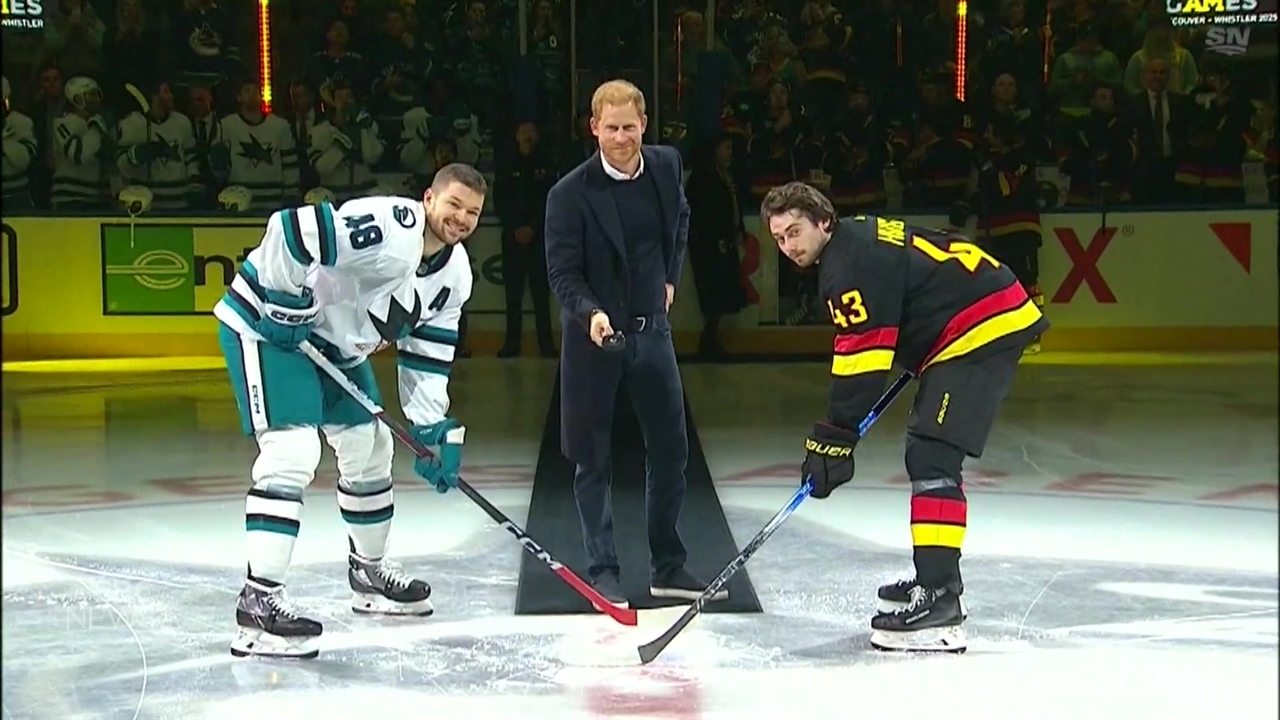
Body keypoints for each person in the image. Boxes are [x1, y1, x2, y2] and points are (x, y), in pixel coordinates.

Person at [760, 181, 1049, 653]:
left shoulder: (845, 267)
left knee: (933, 454)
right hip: (977, 314)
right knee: (928, 452)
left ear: (823, 222)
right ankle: (933, 578)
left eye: (795, 232)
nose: (789, 246)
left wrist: (834, 436)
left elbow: (862, 358)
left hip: (982, 326)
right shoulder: (854, 241)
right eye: (779, 239)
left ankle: (940, 600)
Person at [214, 163, 488, 659]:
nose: (461, 218)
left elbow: (428, 353)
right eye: (454, 205)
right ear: (428, 198)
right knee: (292, 452)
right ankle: (258, 602)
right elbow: (291, 230)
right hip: (267, 330)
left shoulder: (456, 274)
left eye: (472, 212)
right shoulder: (391, 227)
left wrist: (430, 428)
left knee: (371, 447)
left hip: (334, 348)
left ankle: (368, 573)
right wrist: (281, 300)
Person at [544, 79, 721, 607]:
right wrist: (591, 314)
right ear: (593, 127)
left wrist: (670, 276)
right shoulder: (569, 194)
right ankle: (602, 570)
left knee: (672, 450)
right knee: (591, 458)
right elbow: (562, 273)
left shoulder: (666, 166)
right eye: (611, 128)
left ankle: (668, 563)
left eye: (630, 127)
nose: (621, 138)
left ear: (644, 124)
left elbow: (681, 220)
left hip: (653, 334)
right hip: (593, 340)